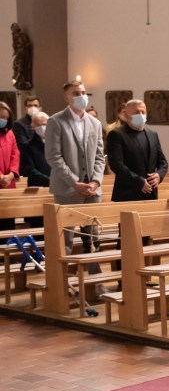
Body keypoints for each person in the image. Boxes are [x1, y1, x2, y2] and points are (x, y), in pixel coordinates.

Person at [44, 80, 106, 275]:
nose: (81, 96)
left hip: (92, 189)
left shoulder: (94, 123)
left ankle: (95, 279)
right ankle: (62, 282)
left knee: (94, 235)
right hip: (67, 188)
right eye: (76, 93)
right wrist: (74, 182)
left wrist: (95, 181)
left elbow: (99, 156)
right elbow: (53, 156)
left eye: (83, 92)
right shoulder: (56, 121)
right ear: (67, 97)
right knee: (66, 237)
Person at [106, 99, 168, 201]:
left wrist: (159, 175)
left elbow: (163, 162)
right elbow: (116, 165)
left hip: (151, 193)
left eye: (143, 112)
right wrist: (139, 181)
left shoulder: (152, 134)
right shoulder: (117, 134)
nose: (140, 115)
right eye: (136, 112)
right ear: (126, 115)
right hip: (127, 193)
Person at [0, 101, 21, 229]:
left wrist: (11, 174)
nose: (3, 120)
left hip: (8, 183)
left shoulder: (10, 133)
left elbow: (15, 154)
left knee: (7, 221)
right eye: (0, 117)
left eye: (5, 118)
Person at [18, 111, 51, 188]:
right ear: (33, 126)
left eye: (44, 124)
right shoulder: (27, 146)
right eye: (39, 125)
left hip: (57, 186)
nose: (42, 127)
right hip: (37, 187)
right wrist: (49, 180)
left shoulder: (57, 144)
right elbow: (28, 169)